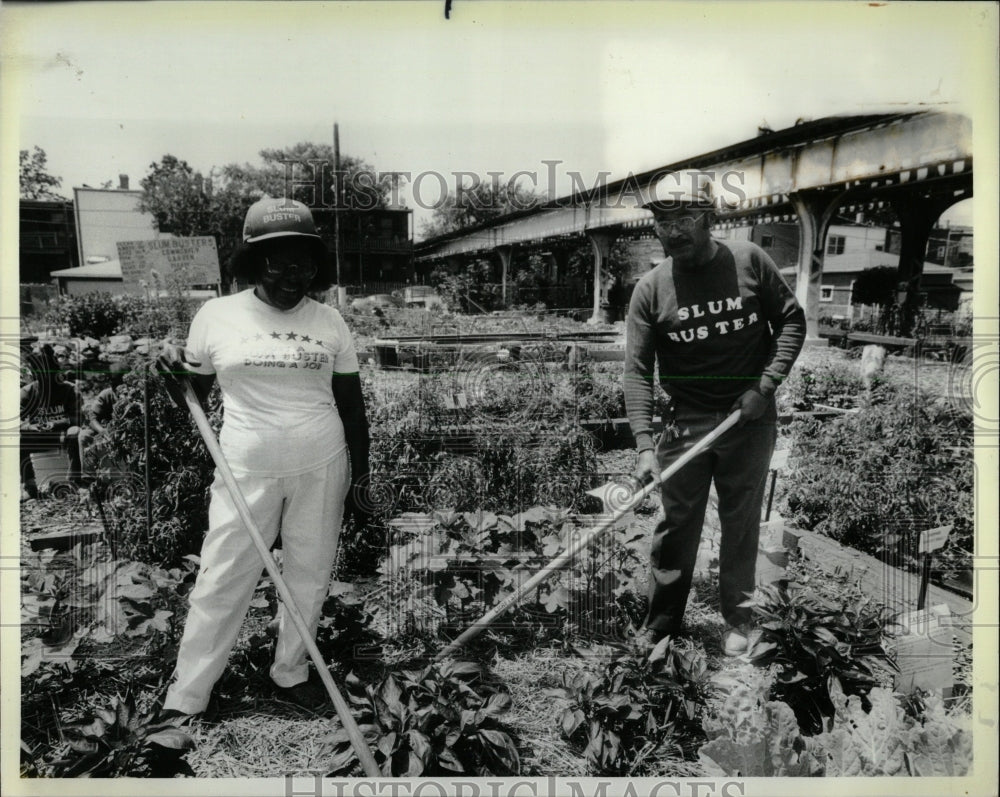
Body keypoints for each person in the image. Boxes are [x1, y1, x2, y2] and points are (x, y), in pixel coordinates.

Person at [155, 196, 371, 716]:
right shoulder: (216, 316)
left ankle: (291, 671)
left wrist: (361, 476)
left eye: (304, 260)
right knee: (222, 575)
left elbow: (351, 407)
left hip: (322, 465)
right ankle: (186, 697)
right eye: (278, 260)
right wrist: (170, 375)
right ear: (254, 262)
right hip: (242, 469)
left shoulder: (330, 322)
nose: (292, 273)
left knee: (310, 574)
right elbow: (194, 396)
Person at [624, 170, 806, 657]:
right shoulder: (650, 289)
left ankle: (738, 620)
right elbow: (638, 372)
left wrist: (764, 388)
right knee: (676, 525)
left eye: (684, 216)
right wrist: (644, 446)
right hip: (686, 420)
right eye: (663, 219)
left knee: (740, 521)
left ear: (709, 216)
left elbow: (791, 321)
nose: (673, 230)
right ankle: (661, 625)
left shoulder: (749, 260)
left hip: (748, 418)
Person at [20, 343, 86, 498]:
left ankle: (74, 481)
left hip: (61, 435)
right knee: (17, 438)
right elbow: (18, 421)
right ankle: (29, 486)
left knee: (75, 432)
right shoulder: (27, 392)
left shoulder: (69, 389)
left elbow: (77, 419)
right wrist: (32, 427)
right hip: (39, 436)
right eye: (41, 374)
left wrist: (53, 424)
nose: (46, 379)